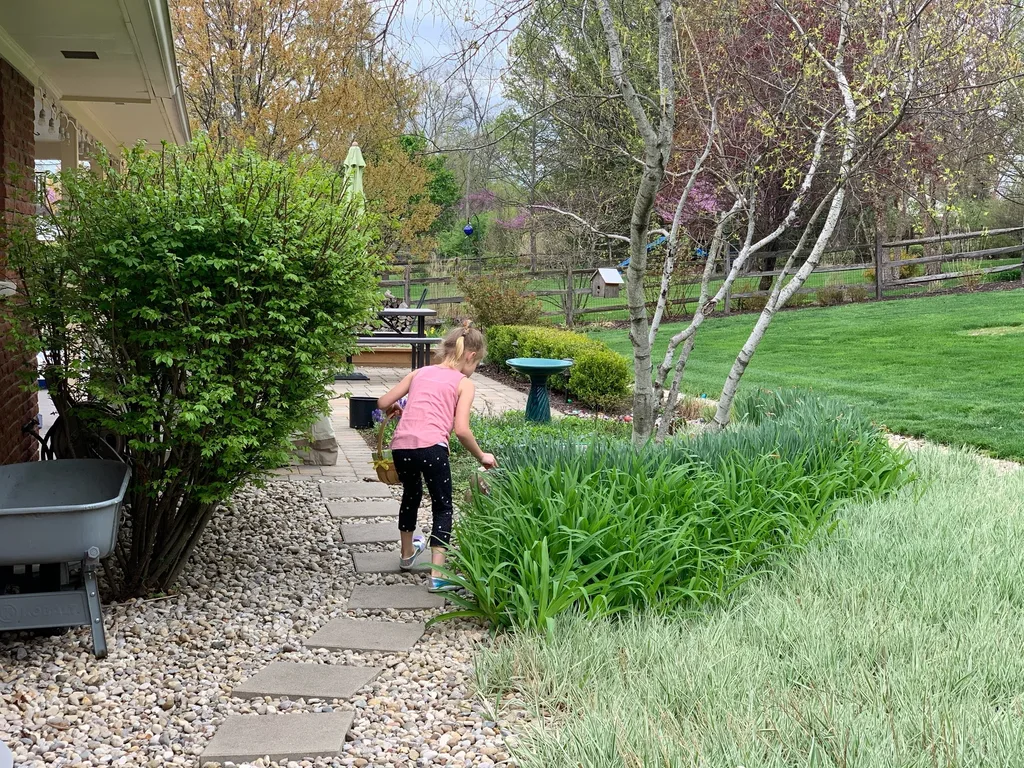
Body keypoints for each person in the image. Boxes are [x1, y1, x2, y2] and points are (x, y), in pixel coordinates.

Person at [377, 322, 497, 592]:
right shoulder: (463, 383)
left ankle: (407, 555)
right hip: (432, 448)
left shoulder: (419, 372)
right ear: (470, 356)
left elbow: (383, 403)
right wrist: (481, 456)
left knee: (411, 494)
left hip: (402, 447)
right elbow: (462, 430)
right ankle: (437, 576)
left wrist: (397, 407)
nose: (473, 370)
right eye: (476, 364)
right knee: (443, 506)